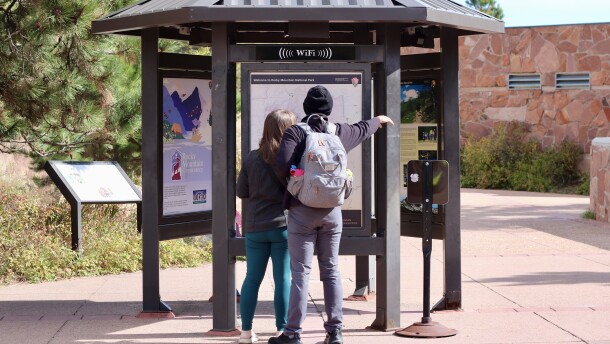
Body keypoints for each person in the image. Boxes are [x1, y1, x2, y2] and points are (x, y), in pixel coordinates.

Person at [269, 86, 394, 344]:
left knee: (301, 273)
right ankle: (335, 332)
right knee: (331, 271)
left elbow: (280, 164)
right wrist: (378, 120)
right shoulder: (339, 131)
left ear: (305, 107)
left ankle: (292, 333)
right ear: (329, 109)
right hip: (332, 213)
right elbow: (363, 128)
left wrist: (296, 179)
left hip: (302, 211)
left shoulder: (296, 132)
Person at [236, 109, 297, 343]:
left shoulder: (252, 158)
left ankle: (246, 333)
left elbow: (242, 191)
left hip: (255, 228)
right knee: (283, 278)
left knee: (252, 278)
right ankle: (282, 330)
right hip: (282, 227)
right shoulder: (290, 158)